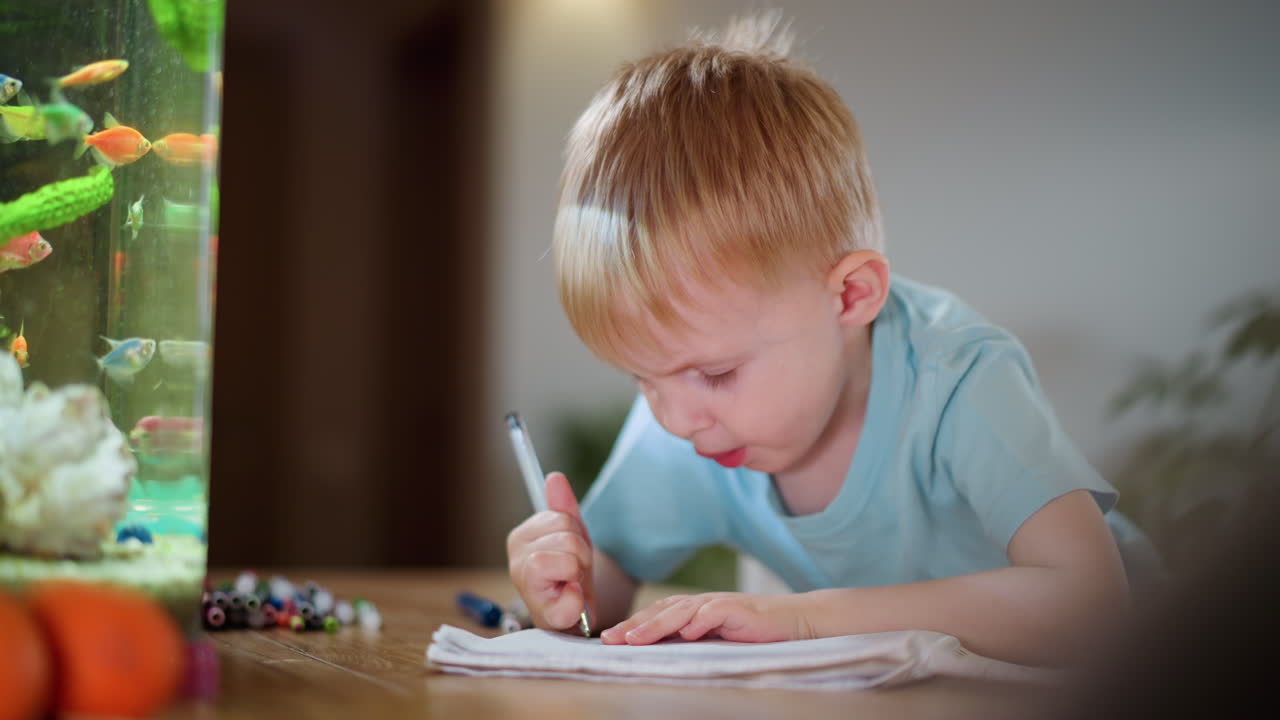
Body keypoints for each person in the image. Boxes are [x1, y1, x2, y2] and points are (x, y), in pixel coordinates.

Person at [507, 12, 1155, 668]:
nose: (673, 418)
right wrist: (566, 586)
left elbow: (1091, 603)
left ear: (850, 296)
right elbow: (604, 595)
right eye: (641, 377)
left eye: (716, 373)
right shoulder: (693, 421)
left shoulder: (957, 377)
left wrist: (809, 620)